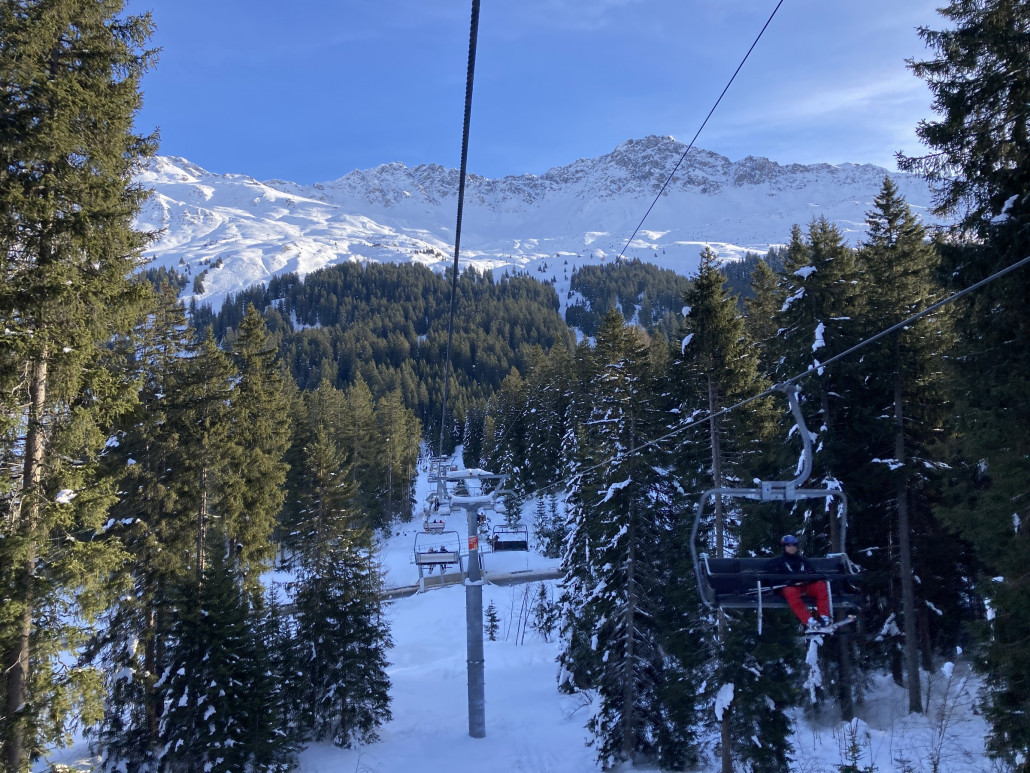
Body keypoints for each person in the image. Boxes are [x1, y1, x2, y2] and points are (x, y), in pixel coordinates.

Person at [766, 535, 832, 630]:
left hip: (805, 586)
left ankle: (824, 616)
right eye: (789, 545)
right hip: (789, 588)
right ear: (784, 547)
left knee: (820, 586)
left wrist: (810, 579)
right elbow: (773, 578)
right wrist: (789, 581)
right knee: (790, 592)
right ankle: (809, 620)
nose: (792, 547)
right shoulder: (777, 562)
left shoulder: (803, 561)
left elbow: (813, 573)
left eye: (794, 545)